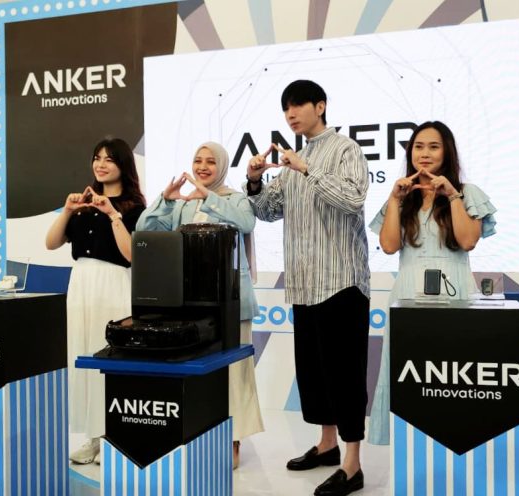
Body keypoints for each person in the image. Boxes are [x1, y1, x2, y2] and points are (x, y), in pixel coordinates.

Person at [245, 80, 370, 496]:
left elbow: (353, 199)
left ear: (320, 106)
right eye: (286, 108)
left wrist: (307, 169)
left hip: (341, 280)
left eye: (298, 105)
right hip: (303, 281)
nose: (291, 114)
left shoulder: (346, 149)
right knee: (315, 373)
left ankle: (353, 464)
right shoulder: (290, 162)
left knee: (345, 374)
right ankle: (327, 444)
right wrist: (255, 182)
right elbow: (268, 212)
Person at [136, 142, 264, 469]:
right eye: (198, 161)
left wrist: (208, 196)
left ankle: (234, 439)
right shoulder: (183, 204)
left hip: (231, 302)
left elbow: (246, 223)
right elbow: (144, 230)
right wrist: (165, 200)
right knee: (200, 375)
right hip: (192, 302)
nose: (203, 167)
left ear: (221, 166)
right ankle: (203, 434)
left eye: (210, 162)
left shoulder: (235, 198)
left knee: (235, 375)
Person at [368, 121, 497, 445]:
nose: (424, 153)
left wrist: (452, 195)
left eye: (433, 146)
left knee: (452, 375)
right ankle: (410, 454)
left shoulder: (467, 192)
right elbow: (389, 245)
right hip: (406, 295)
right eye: (418, 146)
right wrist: (395, 200)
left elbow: (467, 240)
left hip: (455, 291)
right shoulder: (403, 196)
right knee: (407, 375)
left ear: (447, 152)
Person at [45, 137, 146, 464]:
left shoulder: (135, 208)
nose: (100, 165)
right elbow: (51, 243)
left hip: (113, 283)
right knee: (83, 353)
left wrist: (113, 215)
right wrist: (68, 210)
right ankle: (91, 436)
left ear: (123, 165)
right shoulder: (83, 204)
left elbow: (131, 256)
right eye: (96, 158)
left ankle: (113, 436)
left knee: (110, 357)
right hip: (81, 284)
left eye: (109, 159)